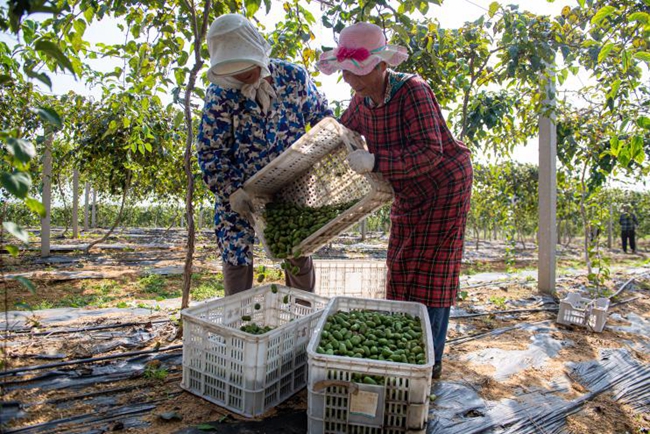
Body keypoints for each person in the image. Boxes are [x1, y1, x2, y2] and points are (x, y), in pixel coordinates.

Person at [318, 22, 473, 379]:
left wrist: (376, 161)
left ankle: (429, 362)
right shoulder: (361, 100)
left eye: (355, 72)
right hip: (407, 189)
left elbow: (431, 152)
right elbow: (342, 132)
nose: (348, 80)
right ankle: (407, 346)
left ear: (382, 65)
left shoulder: (413, 91)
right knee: (400, 261)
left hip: (444, 186)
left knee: (431, 269)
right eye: (345, 72)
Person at [197, 14, 333, 295]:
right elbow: (211, 151)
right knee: (236, 256)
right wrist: (232, 191)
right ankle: (239, 324)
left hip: (291, 188)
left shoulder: (293, 78)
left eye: (246, 70)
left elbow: (322, 118)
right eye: (235, 73)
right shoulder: (220, 95)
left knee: (297, 249)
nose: (241, 77)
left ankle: (302, 320)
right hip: (240, 193)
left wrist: (334, 147)